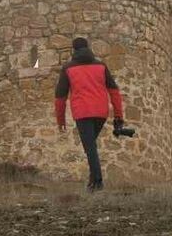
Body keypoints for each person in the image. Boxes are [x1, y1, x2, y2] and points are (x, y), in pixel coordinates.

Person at [54, 37, 126, 191]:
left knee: (90, 147)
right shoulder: (101, 66)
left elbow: (60, 97)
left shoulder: (68, 68)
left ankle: (98, 182)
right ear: (88, 48)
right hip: (101, 112)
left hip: (82, 113)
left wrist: (60, 121)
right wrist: (118, 115)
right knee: (90, 146)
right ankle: (92, 183)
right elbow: (114, 92)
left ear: (74, 50)